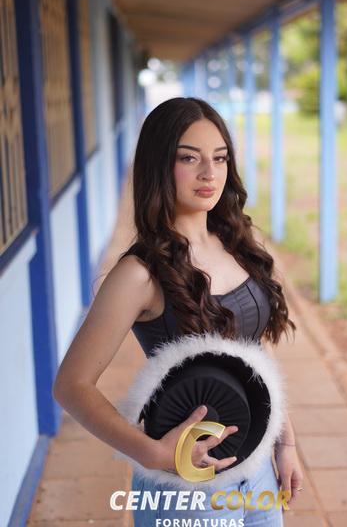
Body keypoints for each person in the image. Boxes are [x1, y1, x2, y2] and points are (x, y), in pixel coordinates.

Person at [53, 97, 303, 525]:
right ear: (159, 165)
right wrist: (153, 454)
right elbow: (71, 385)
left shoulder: (237, 243)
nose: (210, 173)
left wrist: (285, 443)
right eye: (190, 158)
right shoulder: (139, 274)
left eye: (219, 158)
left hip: (256, 467)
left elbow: (253, 355)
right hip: (188, 487)